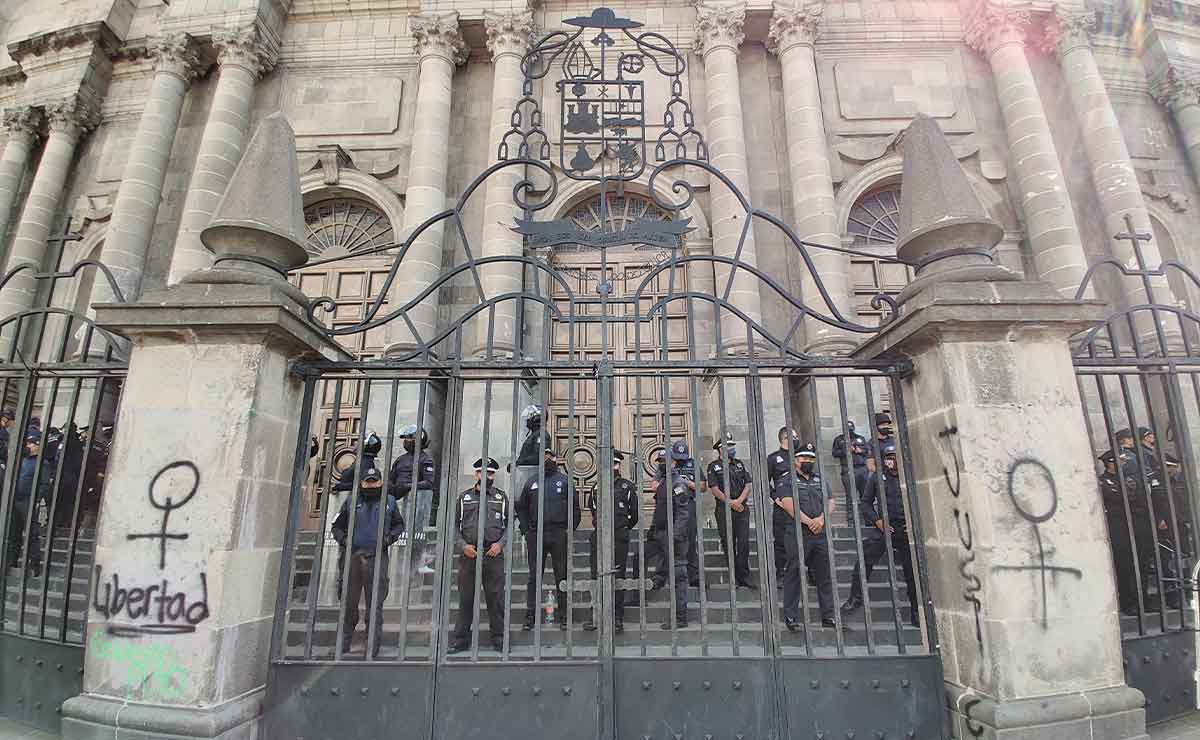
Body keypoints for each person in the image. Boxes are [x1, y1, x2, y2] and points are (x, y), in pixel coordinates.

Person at [841, 442, 919, 627]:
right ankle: (855, 597)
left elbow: (920, 502)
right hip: (885, 527)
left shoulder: (910, 477)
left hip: (906, 529)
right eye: (889, 458)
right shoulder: (877, 477)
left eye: (895, 457)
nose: (892, 461)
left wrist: (914, 523)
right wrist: (878, 522)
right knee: (864, 559)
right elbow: (866, 503)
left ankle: (916, 610)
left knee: (912, 572)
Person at [330, 465, 404, 657]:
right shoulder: (351, 501)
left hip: (377, 558)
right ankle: (342, 644)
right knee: (348, 604)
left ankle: (371, 647)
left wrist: (388, 539)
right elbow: (336, 526)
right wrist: (345, 540)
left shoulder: (390, 502)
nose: (371, 485)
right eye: (367, 482)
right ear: (362, 483)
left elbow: (399, 525)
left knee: (374, 606)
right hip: (353, 558)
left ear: (380, 483)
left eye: (374, 482)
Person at [771, 442, 840, 631]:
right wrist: (809, 522)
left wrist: (821, 519)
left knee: (824, 575)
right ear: (795, 460)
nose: (807, 461)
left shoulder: (819, 479)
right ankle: (791, 617)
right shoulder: (787, 480)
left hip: (820, 533)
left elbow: (831, 501)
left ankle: (828, 616)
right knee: (794, 574)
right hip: (797, 533)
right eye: (803, 457)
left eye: (810, 458)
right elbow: (788, 504)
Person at [449, 457, 509, 653]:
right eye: (483, 473)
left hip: (493, 554)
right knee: (466, 599)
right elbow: (453, 527)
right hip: (470, 554)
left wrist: (500, 544)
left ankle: (499, 639)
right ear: (476, 474)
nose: (487, 476)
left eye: (490, 473)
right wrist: (463, 545)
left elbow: (509, 526)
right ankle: (461, 640)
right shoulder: (464, 498)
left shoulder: (501, 498)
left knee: (496, 599)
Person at [517, 447, 580, 630]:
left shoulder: (565, 481)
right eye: (543, 456)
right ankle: (530, 616)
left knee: (562, 576)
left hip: (558, 533)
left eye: (549, 456)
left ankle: (564, 615)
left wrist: (569, 528)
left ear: (555, 459)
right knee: (534, 577)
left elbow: (575, 507)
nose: (547, 459)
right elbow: (521, 507)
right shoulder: (532, 482)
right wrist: (526, 529)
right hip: (537, 534)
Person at [583, 450, 639, 633]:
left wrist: (622, 528)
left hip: (619, 536)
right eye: (610, 463)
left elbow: (634, 514)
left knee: (618, 577)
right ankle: (596, 616)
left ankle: (617, 619)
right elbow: (593, 510)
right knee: (596, 576)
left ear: (618, 466)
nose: (612, 467)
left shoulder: (627, 487)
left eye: (615, 464)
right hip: (599, 536)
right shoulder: (596, 487)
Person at [654, 440, 694, 629]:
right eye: (660, 462)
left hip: (675, 537)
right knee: (666, 573)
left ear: (673, 462)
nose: (661, 464)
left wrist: (676, 536)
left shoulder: (678, 484)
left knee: (678, 576)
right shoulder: (664, 483)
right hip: (663, 534)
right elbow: (661, 509)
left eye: (665, 461)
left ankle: (680, 617)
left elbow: (683, 512)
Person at [707, 433, 754, 589]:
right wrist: (731, 502)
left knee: (744, 543)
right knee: (729, 543)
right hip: (724, 509)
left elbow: (748, 484)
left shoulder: (739, 464)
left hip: (741, 508)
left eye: (733, 445)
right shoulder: (713, 466)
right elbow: (714, 489)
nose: (732, 448)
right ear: (721, 449)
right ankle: (734, 578)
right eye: (729, 446)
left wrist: (738, 501)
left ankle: (744, 576)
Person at [1099, 449, 1143, 616]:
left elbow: (1135, 496)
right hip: (1117, 527)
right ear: (1111, 463)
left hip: (1131, 525)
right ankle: (1126, 602)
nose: (1123, 464)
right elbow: (1117, 497)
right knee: (1122, 565)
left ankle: (1137, 600)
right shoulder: (1104, 482)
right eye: (1120, 462)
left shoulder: (1126, 480)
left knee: (1134, 564)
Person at [389, 424, 438, 575]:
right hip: (398, 503)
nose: (407, 441)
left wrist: (408, 486)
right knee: (398, 534)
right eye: (406, 439)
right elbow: (391, 480)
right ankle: (397, 565)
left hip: (416, 504)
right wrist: (394, 490)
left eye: (410, 439)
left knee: (416, 535)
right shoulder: (400, 460)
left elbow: (429, 483)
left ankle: (417, 564)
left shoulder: (426, 459)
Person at [5, 432, 50, 574]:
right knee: (14, 532)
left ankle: (34, 564)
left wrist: (36, 499)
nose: (28, 446)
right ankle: (12, 561)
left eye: (30, 443)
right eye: (27, 443)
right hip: (15, 499)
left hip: (28, 500)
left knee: (31, 533)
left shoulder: (42, 463)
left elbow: (44, 484)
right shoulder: (23, 460)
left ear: (37, 446)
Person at [765, 427, 799, 588]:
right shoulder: (773, 458)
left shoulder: (800, 456)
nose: (796, 439)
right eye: (793, 437)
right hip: (782, 507)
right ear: (784, 438)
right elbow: (765, 482)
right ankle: (781, 573)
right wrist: (775, 497)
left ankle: (809, 573)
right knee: (780, 541)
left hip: (801, 503)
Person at [831, 420, 868, 515]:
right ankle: (851, 518)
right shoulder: (839, 439)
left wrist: (860, 450)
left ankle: (867, 517)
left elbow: (868, 451)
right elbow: (834, 453)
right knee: (850, 496)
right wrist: (846, 450)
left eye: (851, 429)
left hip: (862, 469)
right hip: (847, 469)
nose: (850, 432)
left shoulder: (860, 438)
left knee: (865, 494)